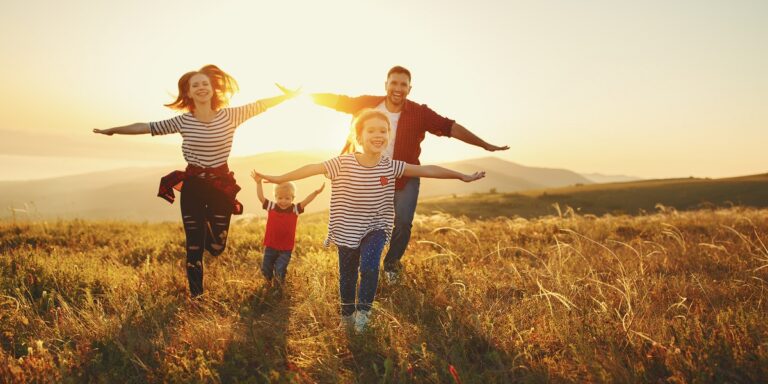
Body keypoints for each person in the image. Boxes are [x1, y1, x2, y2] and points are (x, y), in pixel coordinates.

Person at [252, 109, 485, 333]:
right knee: (348, 275)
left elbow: (427, 170)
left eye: (383, 131)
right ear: (359, 136)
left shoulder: (391, 166)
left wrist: (460, 175)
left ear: (388, 136)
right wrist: (277, 178)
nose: (378, 135)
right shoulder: (342, 163)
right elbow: (312, 168)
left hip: (377, 227)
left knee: (370, 267)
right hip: (346, 229)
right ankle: (347, 315)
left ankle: (363, 314)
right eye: (371, 130)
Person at [94, 64, 297, 298]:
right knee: (193, 247)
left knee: (217, 247)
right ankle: (196, 297)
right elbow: (146, 126)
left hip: (221, 187)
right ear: (188, 93)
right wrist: (113, 130)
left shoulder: (231, 115)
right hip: (193, 187)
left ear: (213, 89)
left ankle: (208, 232)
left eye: (205, 84)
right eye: (195, 85)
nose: (201, 88)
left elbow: (260, 105)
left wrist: (287, 96)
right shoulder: (183, 121)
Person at [306, 65, 508, 284]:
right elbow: (337, 101)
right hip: (369, 175)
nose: (398, 88)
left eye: (403, 84)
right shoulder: (368, 103)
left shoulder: (419, 113)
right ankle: (359, 264)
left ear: (409, 88)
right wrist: (301, 94)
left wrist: (485, 145)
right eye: (394, 83)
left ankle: (391, 265)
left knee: (403, 222)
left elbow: (449, 127)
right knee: (363, 221)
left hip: (405, 175)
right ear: (386, 85)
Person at [250, 172, 324, 285]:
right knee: (266, 269)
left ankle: (279, 287)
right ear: (275, 197)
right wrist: (258, 182)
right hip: (270, 246)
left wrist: (316, 193)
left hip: (286, 248)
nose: (283, 201)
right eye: (280, 198)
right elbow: (261, 197)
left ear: (292, 198)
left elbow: (306, 201)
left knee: (280, 269)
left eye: (287, 198)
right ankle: (268, 284)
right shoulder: (272, 206)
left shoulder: (295, 209)